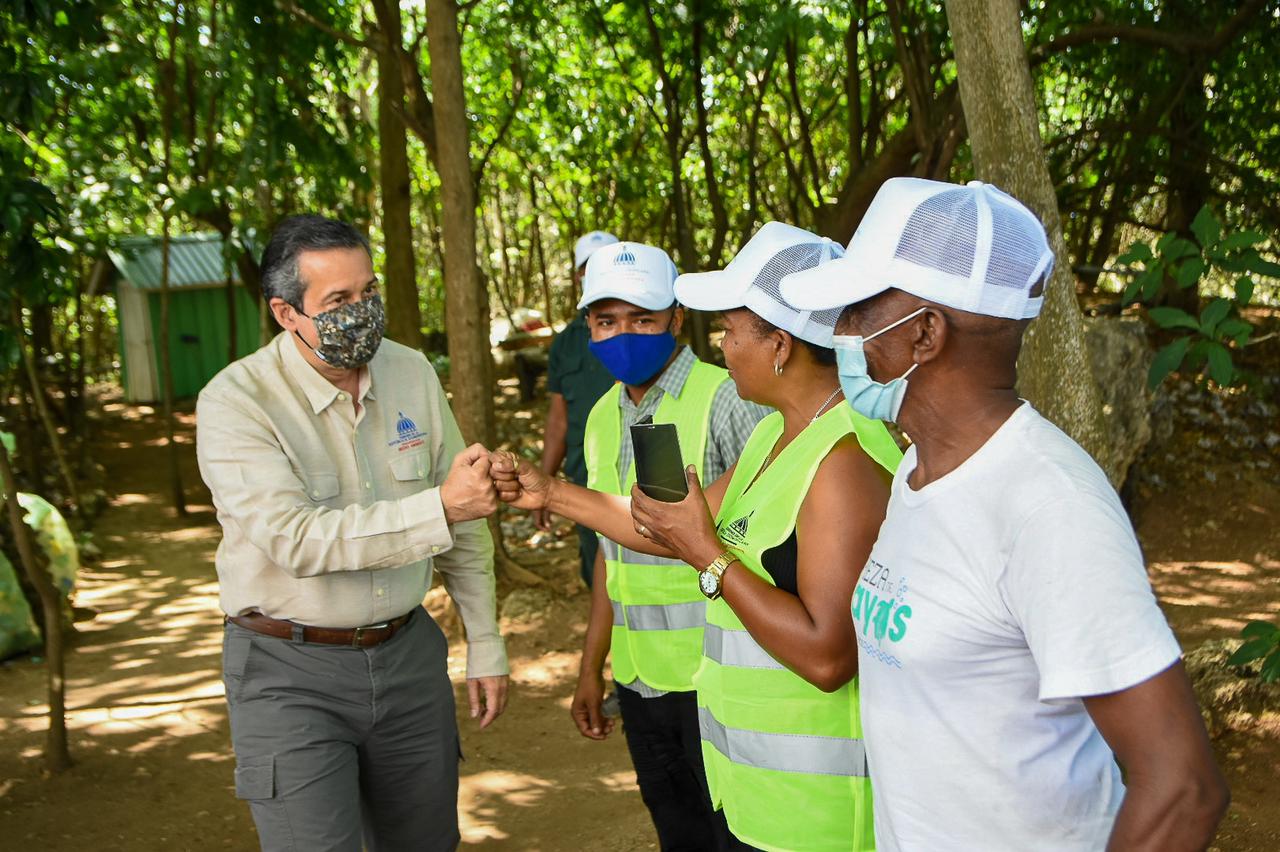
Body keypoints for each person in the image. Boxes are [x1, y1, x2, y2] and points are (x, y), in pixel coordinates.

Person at [780, 177, 1229, 851]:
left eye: (856, 310)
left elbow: (1184, 788)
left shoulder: (1048, 507)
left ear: (925, 333)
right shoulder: (916, 469)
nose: (839, 332)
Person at [493, 223, 902, 852]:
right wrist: (546, 492)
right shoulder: (776, 434)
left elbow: (828, 657)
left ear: (781, 345)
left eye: (732, 331)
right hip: (753, 790)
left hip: (817, 813)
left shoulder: (844, 460)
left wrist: (708, 557)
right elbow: (664, 526)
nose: (724, 345)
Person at [195, 215, 509, 852]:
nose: (361, 312)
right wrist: (440, 509)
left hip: (408, 658)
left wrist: (486, 640)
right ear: (286, 313)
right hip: (287, 671)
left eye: (368, 293)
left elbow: (467, 510)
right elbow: (297, 541)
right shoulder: (236, 402)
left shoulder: (411, 371)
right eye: (338, 301)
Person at [528, 238, 768, 850]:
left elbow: (761, 532)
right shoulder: (603, 415)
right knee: (676, 831)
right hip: (639, 683)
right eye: (606, 321)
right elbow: (613, 553)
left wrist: (549, 492)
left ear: (676, 319)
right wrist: (593, 667)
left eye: (643, 318)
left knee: (732, 835)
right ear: (587, 326)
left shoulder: (727, 397)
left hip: (717, 676)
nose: (624, 334)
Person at [538, 231, 621, 586]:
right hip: (586, 478)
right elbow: (558, 419)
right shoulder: (565, 345)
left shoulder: (638, 332)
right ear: (578, 276)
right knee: (598, 572)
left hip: (637, 477)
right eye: (590, 267)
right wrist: (545, 484)